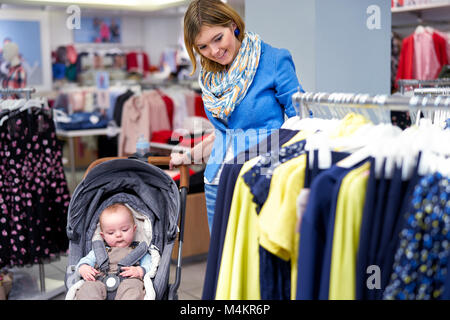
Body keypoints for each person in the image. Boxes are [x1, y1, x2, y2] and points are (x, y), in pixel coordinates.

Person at [170, 0, 303, 232]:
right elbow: (226, 135)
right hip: (216, 182)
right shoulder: (211, 76)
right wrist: (190, 155)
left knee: (258, 260)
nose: (213, 51)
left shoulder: (273, 60)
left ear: (232, 25)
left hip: (259, 178)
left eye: (218, 38)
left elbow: (301, 123)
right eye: (202, 47)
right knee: (222, 261)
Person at [74, 203, 152, 300]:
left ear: (134, 229)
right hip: (100, 281)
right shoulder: (99, 250)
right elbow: (85, 260)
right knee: (88, 288)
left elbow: (150, 266)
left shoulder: (139, 250)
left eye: (124, 230)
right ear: (103, 236)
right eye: (111, 233)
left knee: (134, 288)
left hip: (128, 282)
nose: (118, 235)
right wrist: (83, 267)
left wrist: (140, 270)